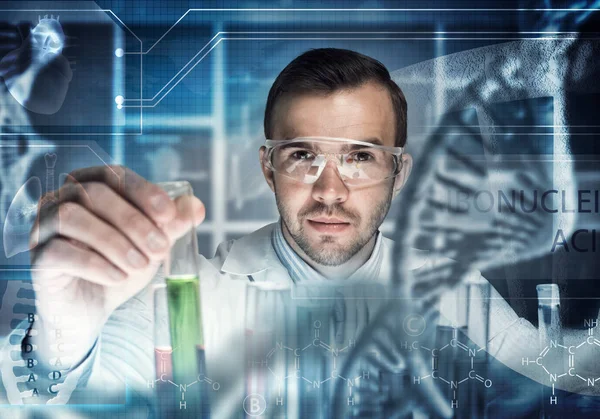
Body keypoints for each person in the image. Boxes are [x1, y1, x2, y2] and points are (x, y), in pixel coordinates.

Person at [0, 48, 556, 418]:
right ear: (269, 166)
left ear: (398, 171)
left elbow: (559, 382)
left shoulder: (455, 290)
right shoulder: (192, 295)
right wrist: (64, 339)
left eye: (361, 156)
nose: (330, 191)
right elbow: (67, 398)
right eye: (303, 156)